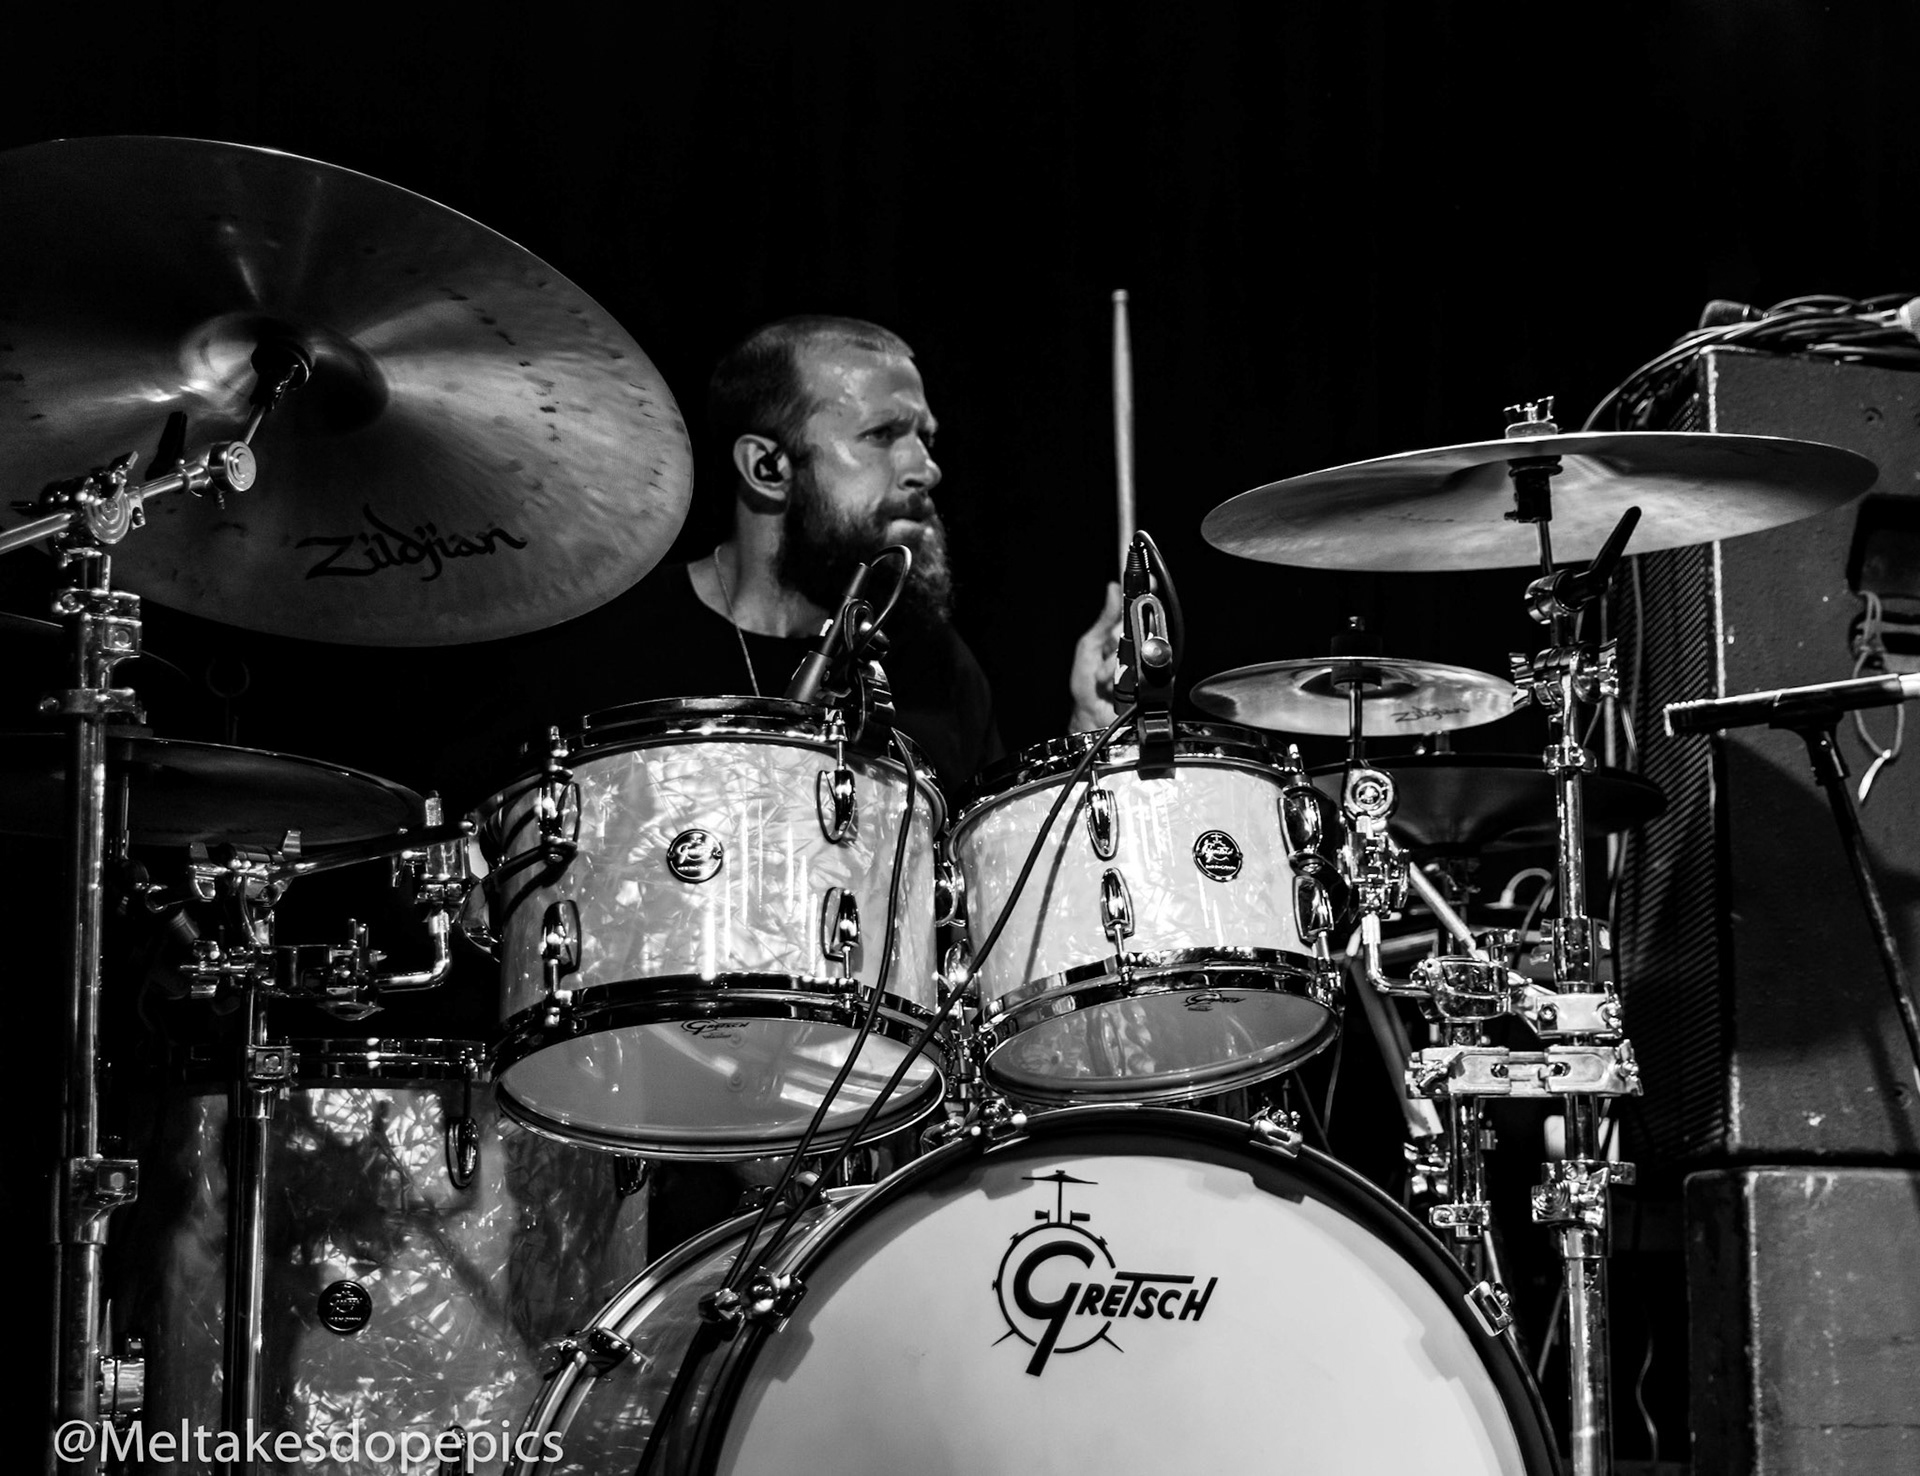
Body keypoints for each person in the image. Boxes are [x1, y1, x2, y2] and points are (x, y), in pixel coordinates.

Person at [442, 313, 1117, 804]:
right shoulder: (598, 649)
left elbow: (990, 910)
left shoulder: (935, 666)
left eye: (925, 438)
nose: (926, 468)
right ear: (767, 467)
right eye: (882, 434)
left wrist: (1088, 738)